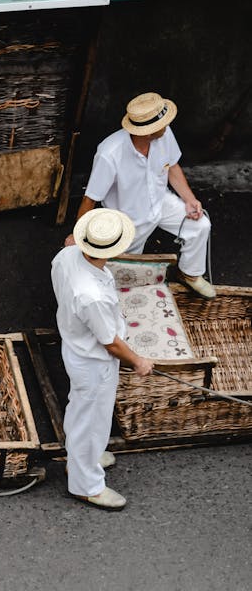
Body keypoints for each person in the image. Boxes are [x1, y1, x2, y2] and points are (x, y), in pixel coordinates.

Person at [52, 209, 153, 510]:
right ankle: (87, 485)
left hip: (76, 348)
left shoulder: (66, 256)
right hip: (94, 361)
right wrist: (138, 362)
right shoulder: (92, 295)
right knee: (91, 416)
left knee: (83, 411)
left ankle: (82, 457)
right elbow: (110, 343)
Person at [69, 91, 215, 298]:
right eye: (162, 123)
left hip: (160, 202)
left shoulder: (164, 133)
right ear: (147, 131)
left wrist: (190, 199)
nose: (166, 125)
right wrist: (80, 236)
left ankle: (190, 274)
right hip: (128, 218)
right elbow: (89, 198)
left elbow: (172, 166)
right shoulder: (109, 153)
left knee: (200, 225)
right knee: (124, 275)